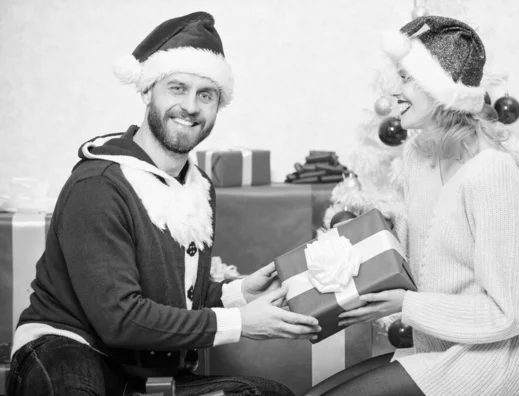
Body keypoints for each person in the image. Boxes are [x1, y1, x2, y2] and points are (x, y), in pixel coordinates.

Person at [6, 11, 321, 396]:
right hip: (69, 351)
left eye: (205, 95)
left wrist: (240, 293)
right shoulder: (99, 185)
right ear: (147, 91)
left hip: (142, 372)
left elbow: (168, 294)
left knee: (268, 394)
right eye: (177, 88)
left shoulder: (198, 187)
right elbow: (119, 318)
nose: (191, 106)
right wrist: (239, 321)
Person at [304, 15, 519, 396]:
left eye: (406, 77)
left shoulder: (490, 173)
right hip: (438, 350)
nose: (394, 92)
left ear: (442, 91)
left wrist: (406, 305)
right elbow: (419, 258)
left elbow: (512, 314)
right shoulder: (419, 154)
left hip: (495, 364)